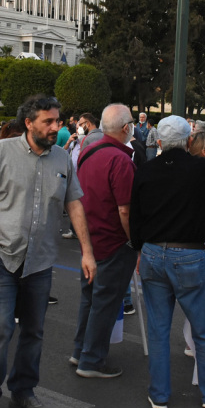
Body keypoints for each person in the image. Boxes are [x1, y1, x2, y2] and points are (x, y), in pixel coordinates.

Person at [0, 95, 97, 408]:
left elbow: (74, 205)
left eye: (58, 121)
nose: (56, 127)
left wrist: (86, 251)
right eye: (49, 121)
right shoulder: (2, 152)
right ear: (29, 123)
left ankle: (24, 392)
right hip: (1, 257)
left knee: (34, 331)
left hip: (40, 262)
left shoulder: (62, 159)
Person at [130, 115, 205, 408]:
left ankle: (159, 394)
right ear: (190, 141)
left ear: (161, 142)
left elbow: (136, 217)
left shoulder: (145, 170)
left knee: (158, 329)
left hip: (153, 253)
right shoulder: (200, 167)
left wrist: (140, 250)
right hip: (190, 254)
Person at [71, 104, 138, 379]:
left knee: (89, 298)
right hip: (113, 242)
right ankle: (92, 360)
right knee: (106, 302)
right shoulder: (121, 160)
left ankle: (80, 350)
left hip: (90, 238)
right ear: (125, 128)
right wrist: (134, 240)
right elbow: (125, 209)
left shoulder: (88, 153)